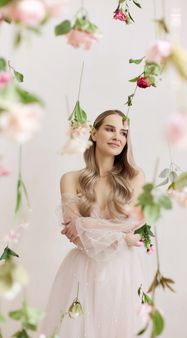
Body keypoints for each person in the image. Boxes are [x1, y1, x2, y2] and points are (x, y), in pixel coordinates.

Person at [41, 109, 146, 338]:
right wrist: (121, 237)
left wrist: (87, 224)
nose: (118, 136)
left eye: (124, 132)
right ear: (94, 133)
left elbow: (134, 225)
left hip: (122, 268)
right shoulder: (71, 179)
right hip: (82, 269)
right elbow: (73, 232)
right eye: (110, 129)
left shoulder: (134, 177)